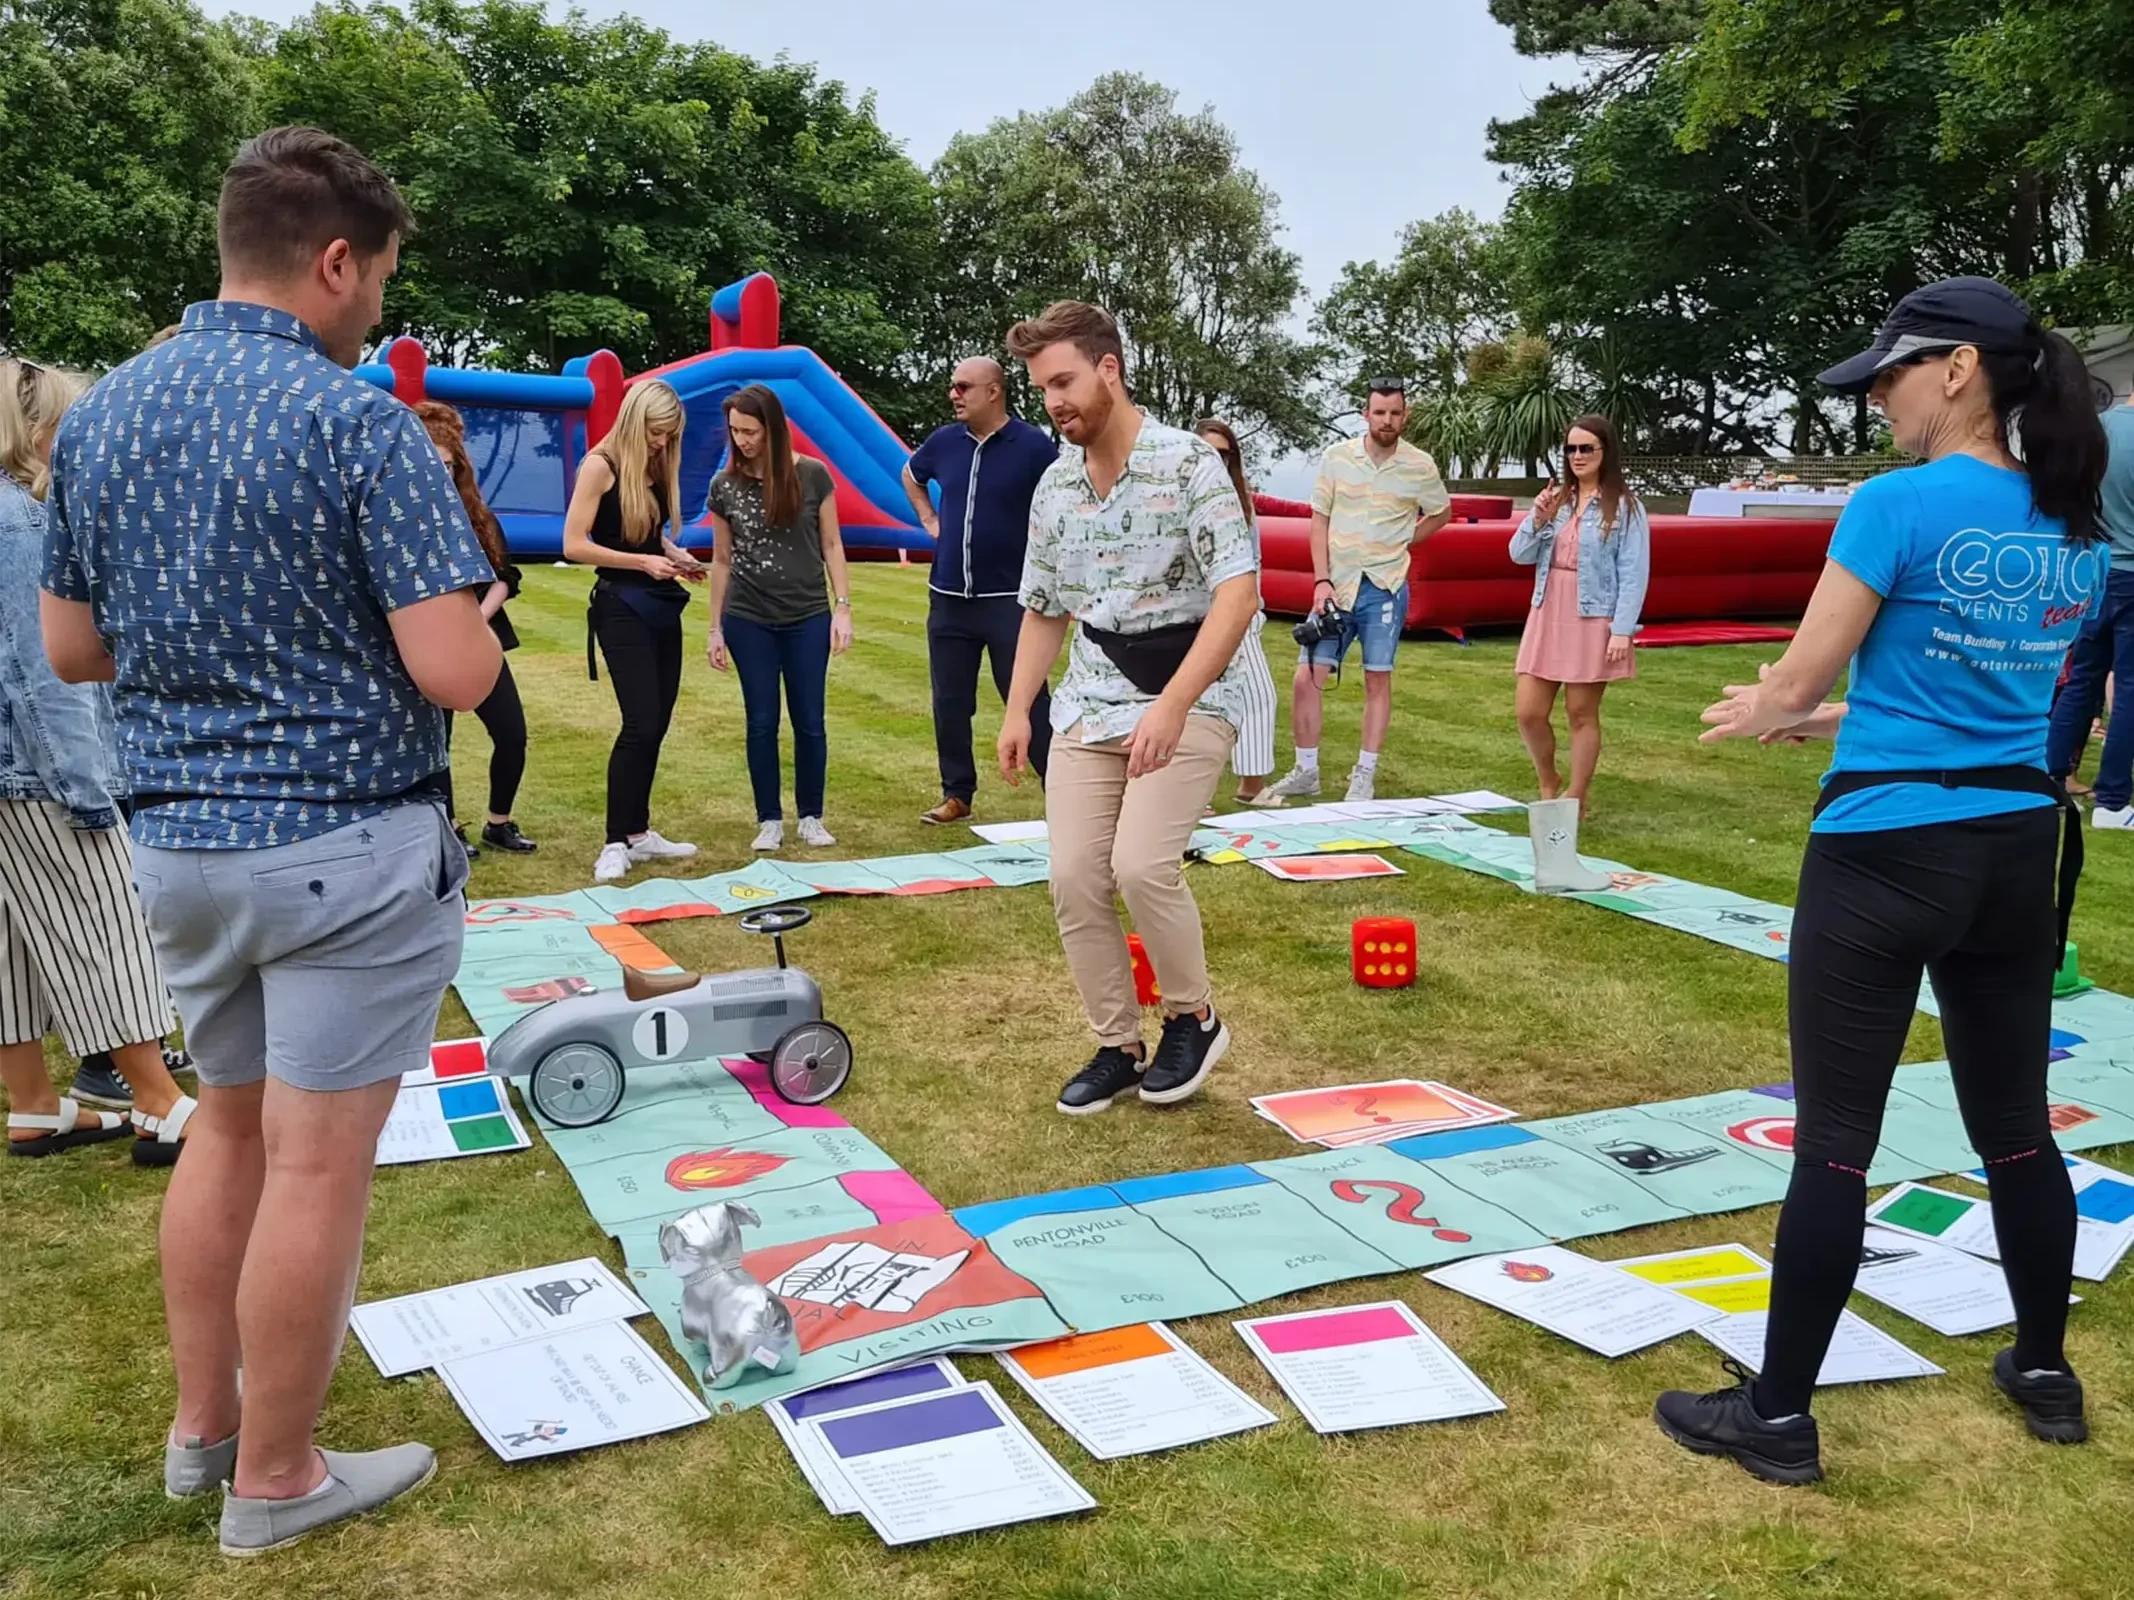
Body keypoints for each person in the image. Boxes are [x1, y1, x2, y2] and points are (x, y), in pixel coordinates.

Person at [42, 126, 503, 1553]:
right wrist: (470, 626)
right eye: (377, 280)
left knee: (225, 1134)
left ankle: (206, 1431)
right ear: (336, 259)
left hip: (180, 847)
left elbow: (72, 648)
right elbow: (452, 674)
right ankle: (279, 1476)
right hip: (345, 847)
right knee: (313, 1163)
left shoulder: (105, 414)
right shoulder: (355, 419)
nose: (375, 309)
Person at [1656, 277, 2108, 1483]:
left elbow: (1797, 678)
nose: (1883, 404)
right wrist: (1830, 719)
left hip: (1884, 848)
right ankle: (2044, 1367)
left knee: (1837, 1145)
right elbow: (1991, 703)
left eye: (1893, 379)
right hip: (2013, 846)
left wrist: (1777, 704)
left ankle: (1779, 1417)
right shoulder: (2071, 521)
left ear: (1956, 368)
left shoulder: (1893, 504)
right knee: (2016, 1130)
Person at [998, 302, 1259, 1115]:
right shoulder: (1055, 483)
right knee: (1076, 876)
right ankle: (1118, 1044)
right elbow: (1042, 607)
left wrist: (1175, 705)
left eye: (1065, 381)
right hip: (1090, 700)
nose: (1054, 402)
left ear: (1109, 369)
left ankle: (1193, 1017)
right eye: (1042, 389)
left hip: (1190, 692)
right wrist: (1017, 711)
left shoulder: (1188, 465)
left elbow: (1239, 592)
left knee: (1140, 866)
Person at [0, 359, 193, 1165]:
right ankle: (159, 1101)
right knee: (107, 928)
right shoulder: (20, 523)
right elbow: (43, 670)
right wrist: (86, 791)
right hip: (36, 775)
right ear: (38, 431)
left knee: (8, 948)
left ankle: (35, 1108)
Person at [1255, 379, 1450, 806]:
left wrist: (1407, 540)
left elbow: (1442, 511)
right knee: (1308, 677)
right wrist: (1320, 579)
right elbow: (1319, 521)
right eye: (1379, 413)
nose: (1387, 421)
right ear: (1366, 414)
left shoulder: (1420, 465)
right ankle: (1306, 771)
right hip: (1336, 587)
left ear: (1405, 415)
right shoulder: (1337, 458)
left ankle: (1364, 775)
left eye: (1395, 413)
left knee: (1377, 678)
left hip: (1386, 587)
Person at [904, 356, 1057, 824]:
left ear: (994, 391)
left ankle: (1064, 790)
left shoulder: (1032, 446)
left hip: (1009, 602)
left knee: (1028, 698)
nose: (954, 394)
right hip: (948, 598)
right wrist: (929, 519)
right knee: (949, 701)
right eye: (953, 386)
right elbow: (911, 475)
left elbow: (1061, 499)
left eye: (963, 386)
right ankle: (957, 794)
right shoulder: (944, 442)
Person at [563, 379, 703, 884]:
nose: (663, 443)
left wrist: (671, 554)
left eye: (669, 435)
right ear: (633, 420)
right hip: (620, 606)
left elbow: (648, 532)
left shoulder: (654, 467)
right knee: (640, 723)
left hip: (659, 603)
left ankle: (640, 832)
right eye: (656, 432)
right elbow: (575, 544)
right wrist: (642, 562)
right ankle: (614, 841)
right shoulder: (600, 466)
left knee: (658, 721)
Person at [705, 384, 852, 853]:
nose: (743, 440)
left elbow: (831, 545)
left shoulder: (812, 476)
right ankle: (769, 818)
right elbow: (722, 559)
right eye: (735, 431)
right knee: (761, 720)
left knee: (810, 719)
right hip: (749, 619)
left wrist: (842, 607)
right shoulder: (724, 486)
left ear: (772, 429)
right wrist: (715, 627)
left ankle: (812, 815)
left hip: (808, 614)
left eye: (750, 431)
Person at [1508, 414, 1651, 811]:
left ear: (1606, 452)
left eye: (1586, 448)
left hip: (1593, 617)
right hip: (1547, 610)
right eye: (1570, 448)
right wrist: (1537, 520)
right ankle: (1548, 778)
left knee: (1581, 712)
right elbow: (1518, 555)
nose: (1577, 456)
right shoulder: (1557, 501)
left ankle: (1575, 796)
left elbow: (1633, 572)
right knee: (1528, 711)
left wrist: (1622, 629)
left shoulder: (1625, 508)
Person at [416, 401, 536, 857]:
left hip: (479, 638)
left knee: (512, 733)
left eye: (448, 464)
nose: (441, 473)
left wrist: (475, 621)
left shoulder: (478, 516)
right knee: (435, 744)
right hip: (427, 643)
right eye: (433, 463)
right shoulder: (403, 517)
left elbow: (505, 577)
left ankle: (499, 823)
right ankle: (446, 828)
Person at [2046, 386, 2134, 828]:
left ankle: (2048, 780)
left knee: (2082, 681)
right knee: (2129, 690)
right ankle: (2114, 802)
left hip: (2092, 571)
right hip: (2131, 576)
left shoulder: (2094, 431)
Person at [1194, 417, 1278, 804]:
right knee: (1194, 704)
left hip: (1238, 613)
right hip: (1191, 617)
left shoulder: (1242, 501)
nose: (1218, 461)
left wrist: (1254, 611)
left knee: (1259, 694)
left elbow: (1254, 561)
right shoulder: (1180, 494)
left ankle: (1251, 786)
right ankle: (1194, 794)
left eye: (1225, 455)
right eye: (1210, 452)